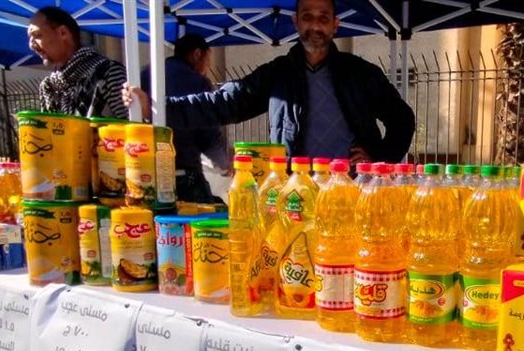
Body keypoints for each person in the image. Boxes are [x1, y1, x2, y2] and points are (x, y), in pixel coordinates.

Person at [124, 0, 415, 164]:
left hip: (352, 192)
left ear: (335, 25)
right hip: (297, 197)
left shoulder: (362, 74)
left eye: (323, 18)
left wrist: (380, 156)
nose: (315, 25)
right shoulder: (279, 74)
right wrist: (157, 108)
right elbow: (223, 103)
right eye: (308, 17)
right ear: (296, 22)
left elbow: (402, 118)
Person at [140, 34, 230, 203]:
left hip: (147, 170)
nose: (208, 66)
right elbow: (207, 132)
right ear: (197, 54)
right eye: (207, 60)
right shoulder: (198, 82)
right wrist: (224, 162)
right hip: (185, 172)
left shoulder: (145, 74)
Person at [28, 6, 127, 119]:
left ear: (63, 33)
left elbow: (132, 125)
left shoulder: (108, 72)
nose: (31, 45)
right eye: (30, 38)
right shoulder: (49, 86)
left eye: (37, 35)